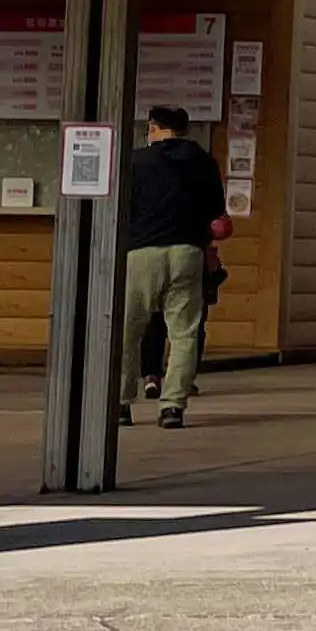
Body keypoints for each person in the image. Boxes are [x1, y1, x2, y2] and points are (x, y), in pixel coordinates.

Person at [118, 105, 226, 431]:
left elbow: (122, 208)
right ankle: (172, 407)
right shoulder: (204, 162)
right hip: (187, 252)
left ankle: (120, 404)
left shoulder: (136, 162)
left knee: (128, 330)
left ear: (153, 128)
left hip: (141, 252)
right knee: (184, 333)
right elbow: (216, 216)